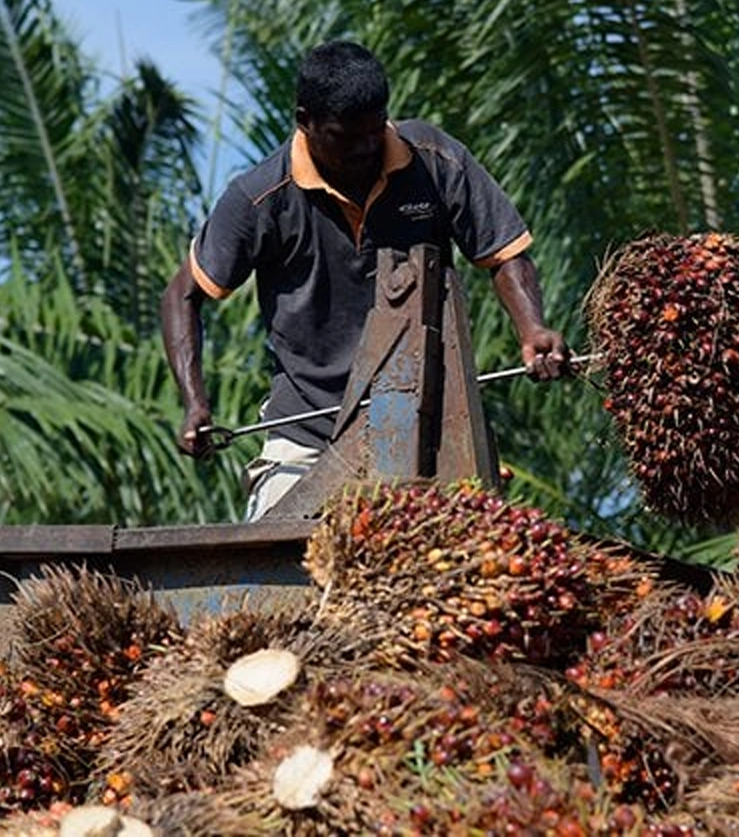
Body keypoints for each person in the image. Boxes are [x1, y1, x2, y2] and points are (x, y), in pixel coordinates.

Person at [160, 41, 570, 520]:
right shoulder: (260, 198)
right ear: (304, 119)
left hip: (428, 429)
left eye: (375, 130)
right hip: (310, 436)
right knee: (271, 565)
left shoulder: (432, 161)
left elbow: (505, 253)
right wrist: (195, 404)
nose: (364, 148)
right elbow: (182, 294)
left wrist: (532, 329)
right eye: (344, 136)